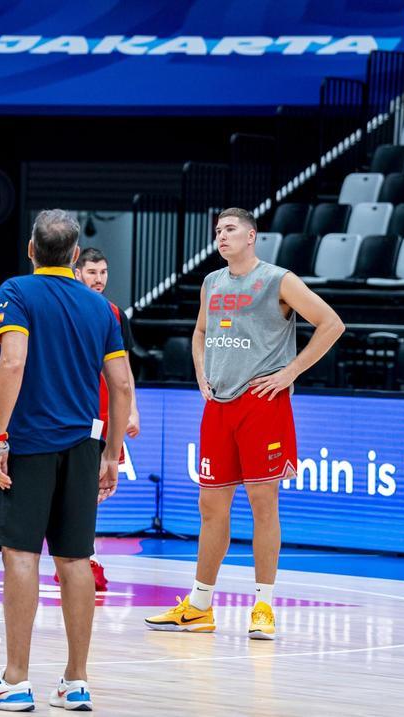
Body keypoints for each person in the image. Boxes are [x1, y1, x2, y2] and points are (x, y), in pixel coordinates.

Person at [144, 207, 344, 640]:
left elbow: (332, 323)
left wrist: (291, 372)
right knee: (211, 508)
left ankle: (264, 605)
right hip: (218, 405)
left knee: (262, 504)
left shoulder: (278, 279)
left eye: (230, 229)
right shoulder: (211, 283)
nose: (222, 235)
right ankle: (199, 606)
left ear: (251, 236)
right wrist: (200, 370)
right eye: (218, 230)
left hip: (261, 403)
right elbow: (200, 333)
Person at [0, 210, 131, 712]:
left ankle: (16, 680)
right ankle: (76, 681)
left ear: (32, 250)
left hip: (30, 444)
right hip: (83, 446)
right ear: (77, 257)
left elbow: (12, 361)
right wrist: (111, 450)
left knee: (21, 555)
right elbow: (122, 385)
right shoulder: (101, 308)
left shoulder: (16, 290)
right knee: (76, 560)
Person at [57, 247, 141, 591]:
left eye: (103, 272)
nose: (99, 278)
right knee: (74, 488)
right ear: (77, 273)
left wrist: (132, 408)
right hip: (72, 411)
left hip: (105, 414)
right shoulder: (66, 309)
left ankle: (80, 556)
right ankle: (74, 556)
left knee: (92, 489)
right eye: (92, 272)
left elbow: (124, 371)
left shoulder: (115, 314)